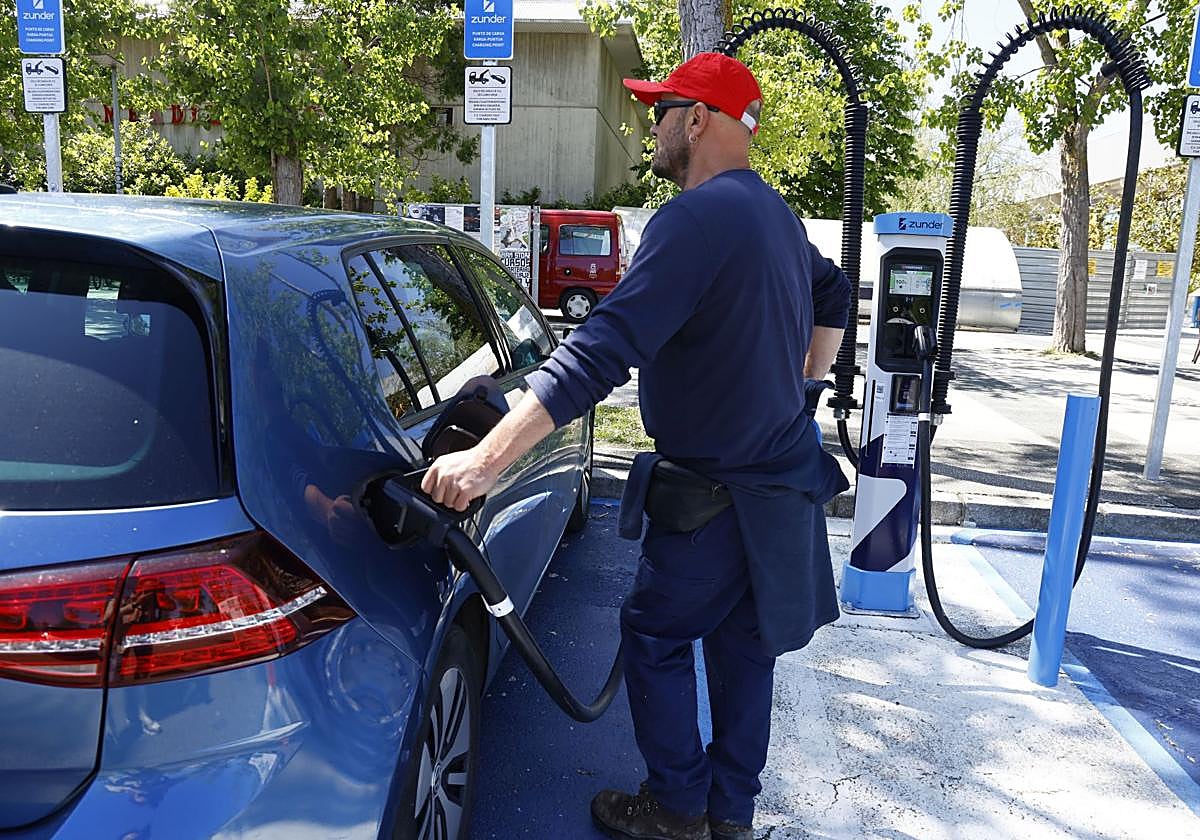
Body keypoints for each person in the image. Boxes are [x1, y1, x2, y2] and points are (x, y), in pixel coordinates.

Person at [422, 52, 852, 840]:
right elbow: (835, 292)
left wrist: (486, 461)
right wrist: (805, 384)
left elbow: (597, 352)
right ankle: (730, 816)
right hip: (782, 491)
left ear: (698, 120)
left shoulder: (694, 219)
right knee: (743, 654)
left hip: (713, 498)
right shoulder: (776, 215)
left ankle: (677, 807)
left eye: (661, 111)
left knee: (654, 638)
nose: (649, 126)